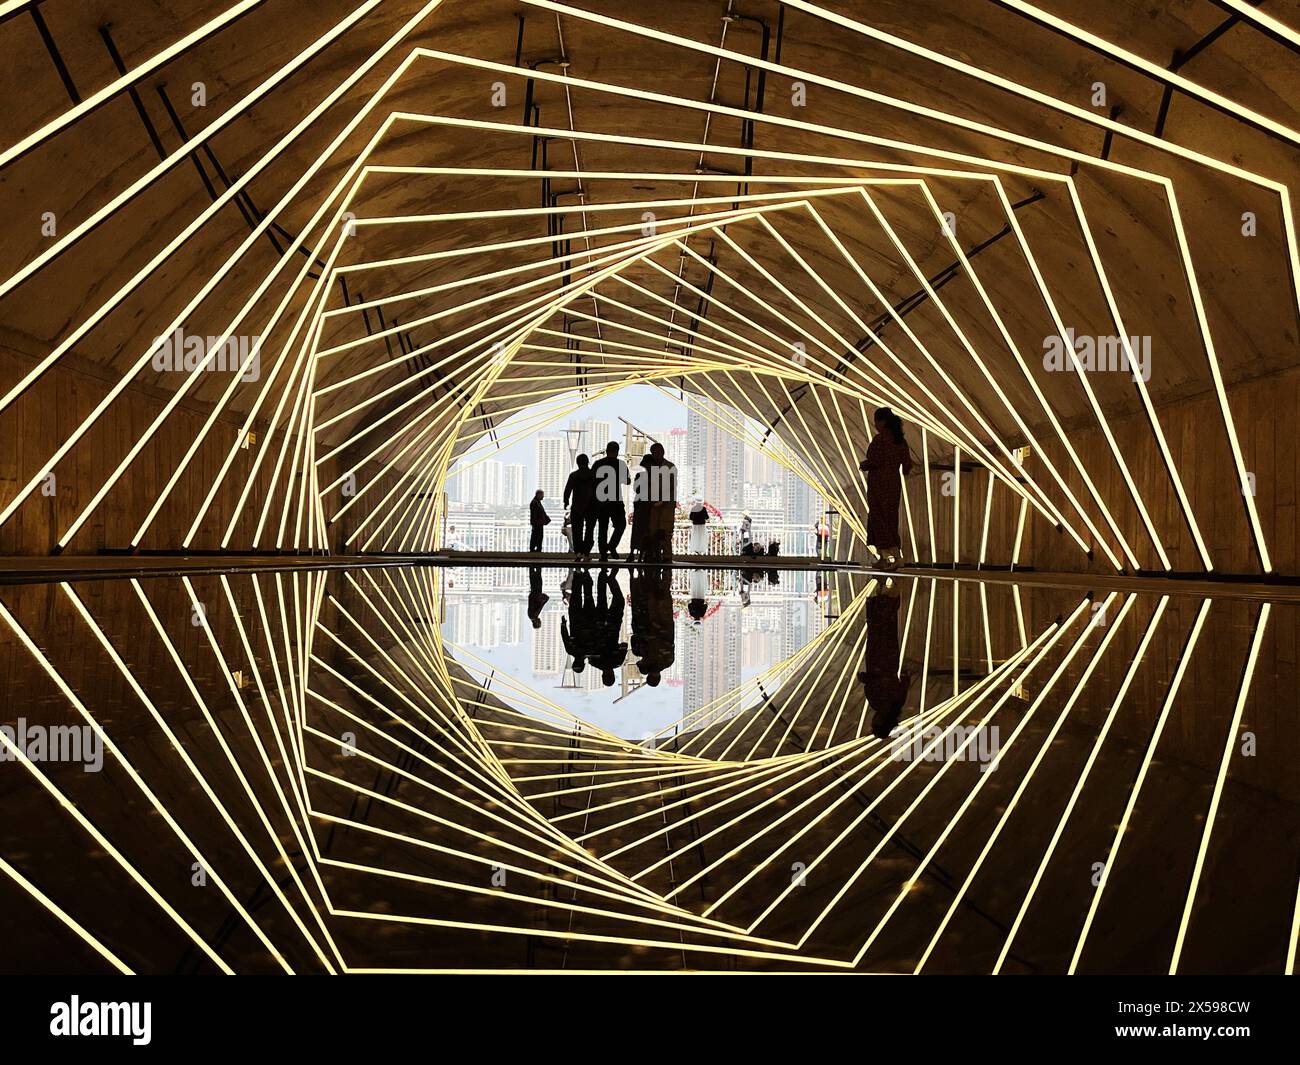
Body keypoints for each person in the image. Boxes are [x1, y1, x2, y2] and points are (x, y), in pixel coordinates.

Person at [859, 406, 914, 570]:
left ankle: (895, 556)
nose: (875, 425)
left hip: (879, 484)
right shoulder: (900, 441)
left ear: (882, 422)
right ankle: (885, 557)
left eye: (876, 421)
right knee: (890, 518)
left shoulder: (880, 440)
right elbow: (907, 465)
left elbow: (874, 460)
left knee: (878, 519)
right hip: (893, 484)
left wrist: (864, 465)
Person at [858, 579, 913, 739]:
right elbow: (875, 681)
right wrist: (864, 678)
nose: (873, 720)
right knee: (878, 625)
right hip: (878, 659)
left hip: (889, 658)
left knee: (886, 626)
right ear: (881, 723)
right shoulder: (878, 702)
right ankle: (889, 585)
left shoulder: (896, 704)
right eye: (875, 723)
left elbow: (903, 682)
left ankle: (890, 588)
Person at [630, 565, 674, 686]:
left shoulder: (668, 661)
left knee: (663, 590)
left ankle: (666, 565)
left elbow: (669, 641)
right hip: (643, 618)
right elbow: (633, 638)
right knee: (644, 589)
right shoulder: (642, 655)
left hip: (664, 619)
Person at [591, 442, 630, 561]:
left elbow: (592, 481)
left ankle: (603, 554)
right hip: (615, 501)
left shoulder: (598, 464)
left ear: (606, 450)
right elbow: (627, 481)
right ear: (617, 451)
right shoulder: (621, 464)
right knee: (621, 525)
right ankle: (611, 546)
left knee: (602, 528)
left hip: (601, 501)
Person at [589, 568, 627, 686]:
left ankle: (611, 579)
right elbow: (590, 646)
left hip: (613, 626)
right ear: (602, 676)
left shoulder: (617, 662)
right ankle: (602, 573)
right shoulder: (594, 662)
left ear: (612, 675)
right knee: (601, 598)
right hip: (598, 625)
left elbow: (624, 645)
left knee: (619, 601)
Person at [640, 442, 677, 562]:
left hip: (666, 505)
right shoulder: (653, 468)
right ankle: (655, 555)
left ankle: (666, 556)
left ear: (663, 452)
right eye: (654, 453)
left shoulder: (670, 467)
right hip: (655, 504)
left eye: (658, 452)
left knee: (665, 531)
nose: (656, 455)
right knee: (653, 530)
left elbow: (671, 485)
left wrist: (662, 500)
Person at [562, 453, 597, 558]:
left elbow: (567, 490)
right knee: (589, 530)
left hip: (577, 506)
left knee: (577, 531)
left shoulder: (573, 475)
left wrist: (566, 501)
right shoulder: (593, 475)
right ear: (587, 462)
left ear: (577, 463)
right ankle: (586, 552)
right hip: (591, 506)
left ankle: (578, 552)